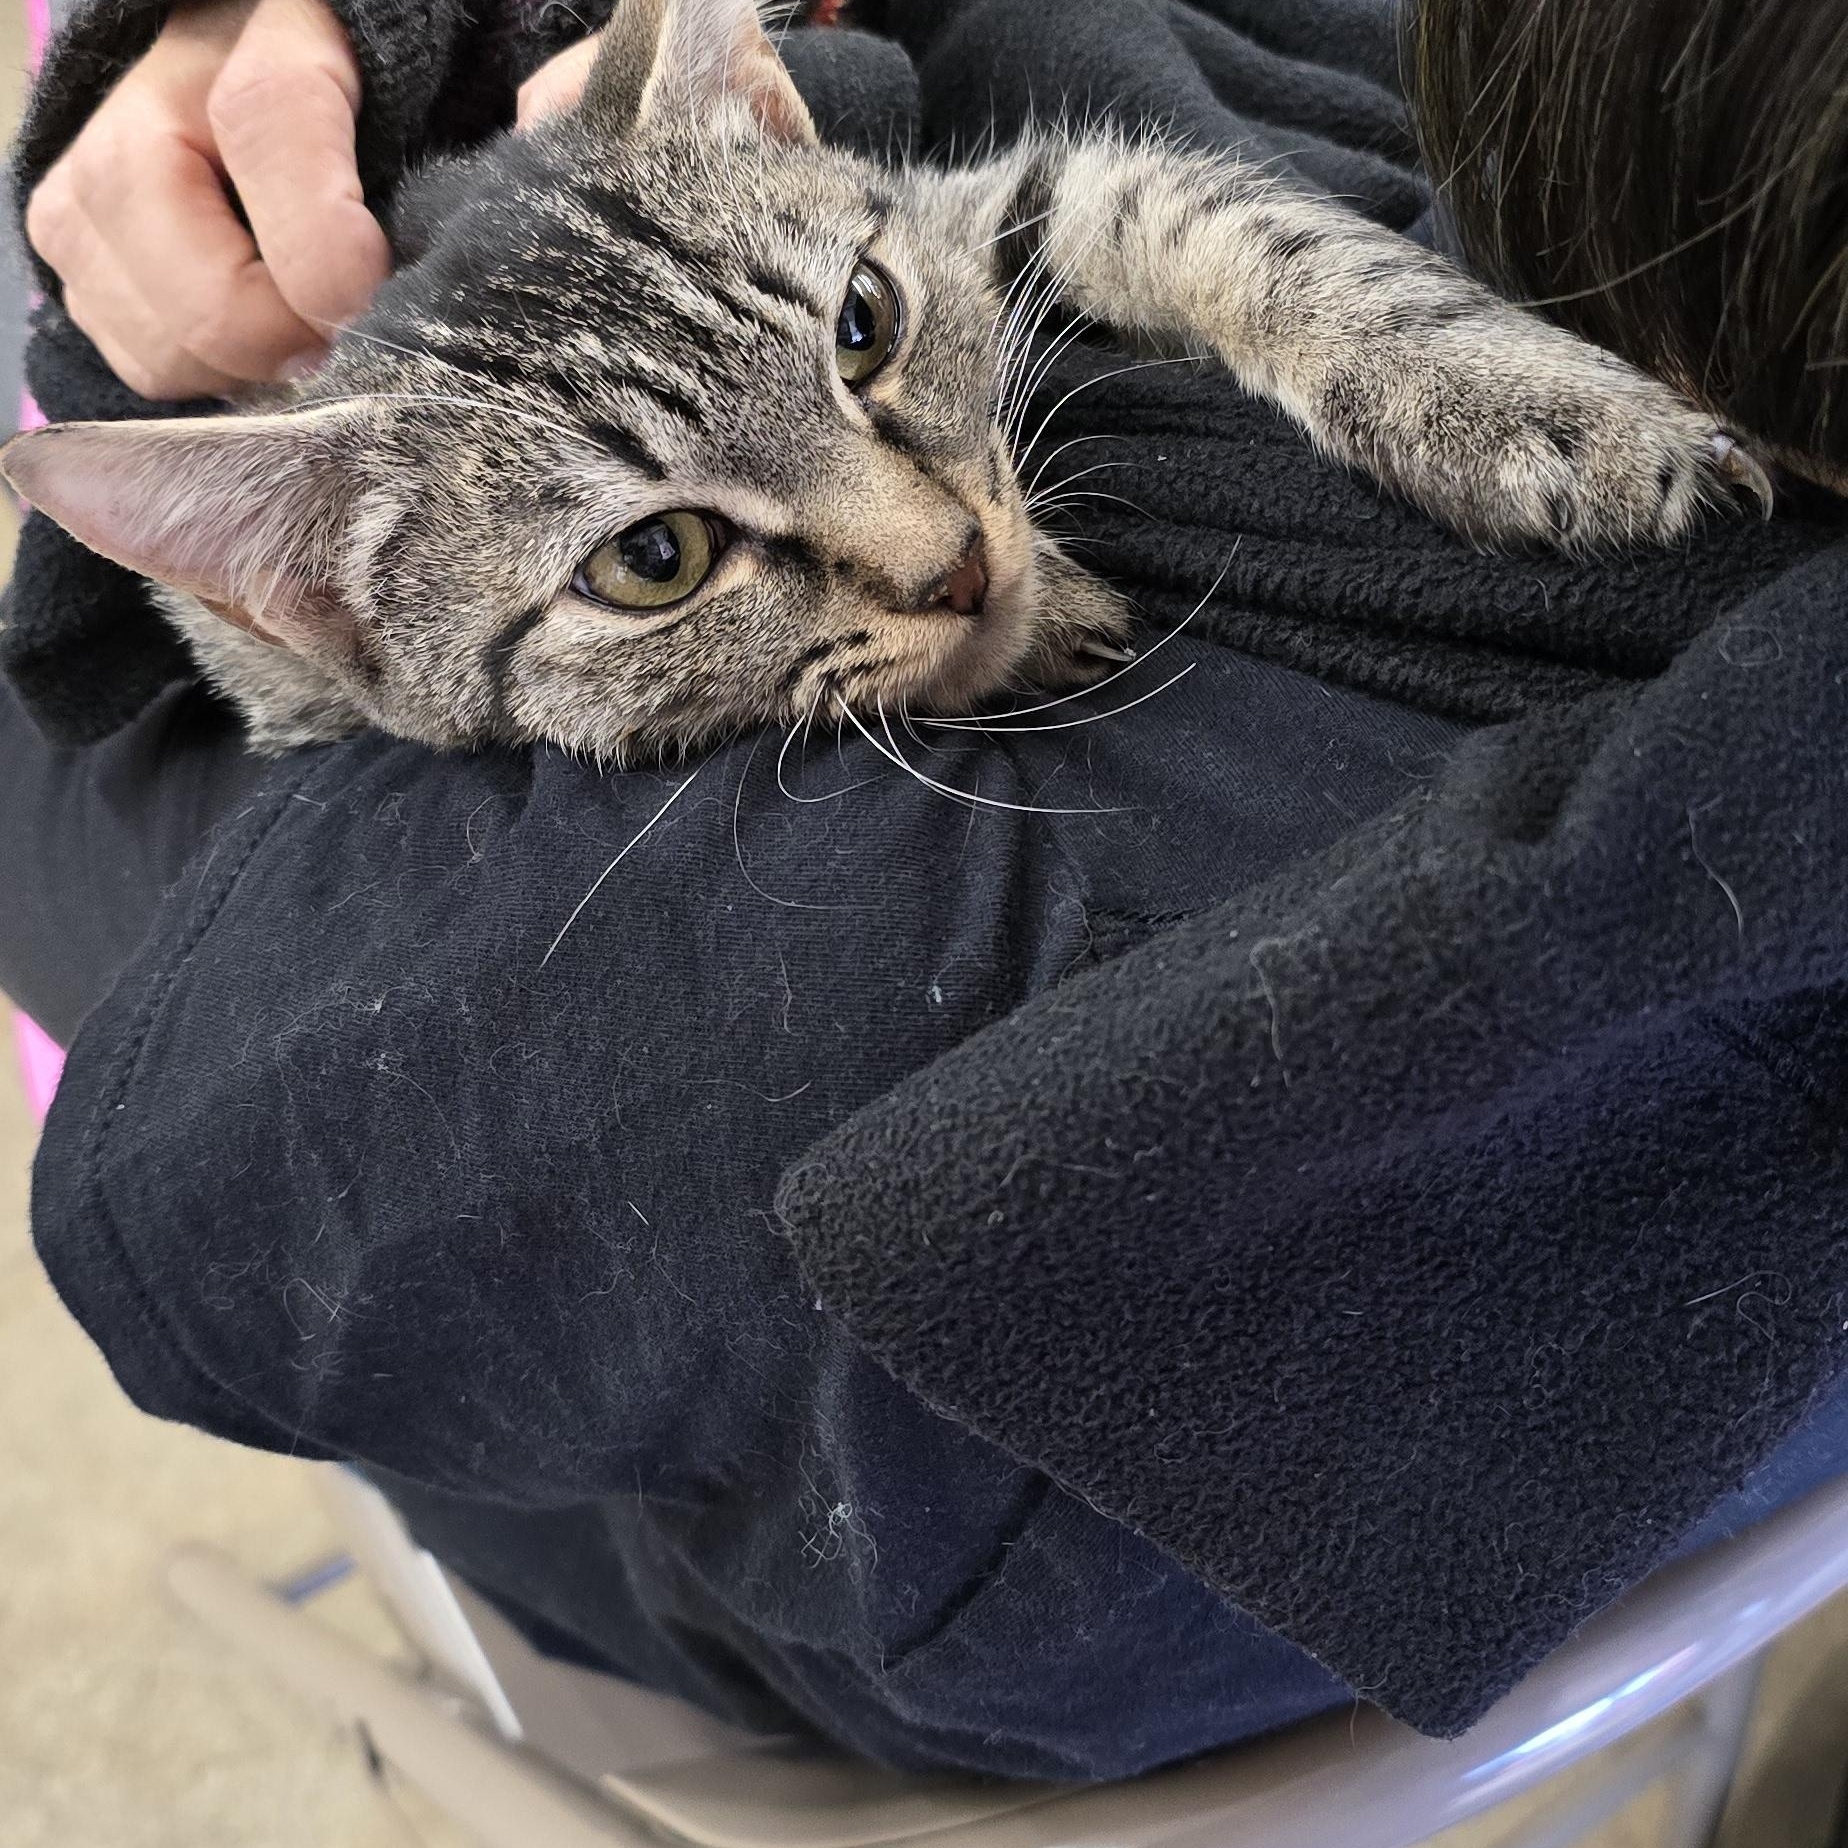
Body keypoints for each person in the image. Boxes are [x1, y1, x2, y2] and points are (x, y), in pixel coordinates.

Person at [4, 0, 1847, 1778]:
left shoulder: (849, 969)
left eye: (653, 555)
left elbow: (179, 1154)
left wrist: (127, 328)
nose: (940, 549)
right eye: (664, 555)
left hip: (938, 1606)